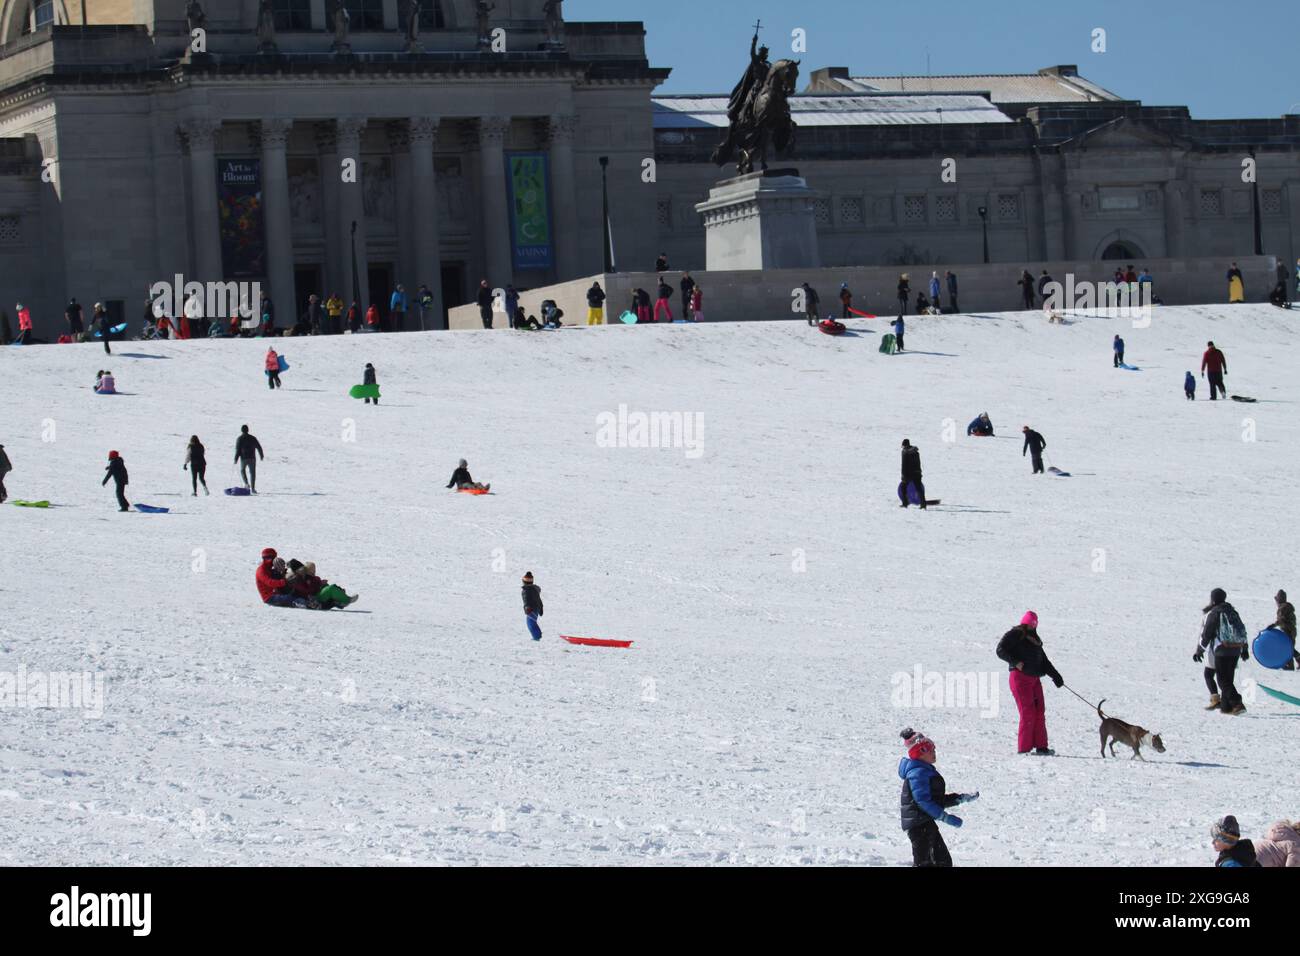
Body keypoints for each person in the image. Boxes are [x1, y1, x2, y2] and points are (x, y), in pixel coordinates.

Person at [897, 728, 976, 867]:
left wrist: (959, 798)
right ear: (919, 754)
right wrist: (945, 817)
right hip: (918, 824)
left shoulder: (924, 771)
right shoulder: (918, 773)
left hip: (924, 822)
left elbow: (934, 800)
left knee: (942, 861)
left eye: (934, 749)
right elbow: (923, 801)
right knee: (925, 863)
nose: (934, 752)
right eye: (929, 750)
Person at [995, 611, 1063, 755]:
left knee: (1039, 712)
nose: (1033, 626)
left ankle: (1041, 746)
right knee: (1028, 713)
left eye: (1034, 624)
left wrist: (1056, 676)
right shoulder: (1015, 634)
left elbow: (1043, 661)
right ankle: (1024, 749)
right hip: (1019, 679)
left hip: (1034, 679)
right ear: (1025, 623)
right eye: (1031, 624)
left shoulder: (1035, 639)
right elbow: (1000, 650)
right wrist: (1016, 662)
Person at [1194, 587, 1249, 715]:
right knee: (1228, 679)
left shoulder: (1215, 613)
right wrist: (1244, 649)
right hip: (1235, 650)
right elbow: (1242, 631)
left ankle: (1237, 703)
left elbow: (1207, 634)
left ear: (1213, 599)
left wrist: (1199, 651)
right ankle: (1226, 707)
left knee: (1223, 681)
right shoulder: (1233, 612)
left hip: (1222, 650)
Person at [286, 559, 357, 610]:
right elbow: (308, 591)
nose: (302, 571)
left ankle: (341, 599)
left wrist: (321, 583)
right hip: (312, 599)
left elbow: (312, 585)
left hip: (315, 595)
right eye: (300, 569)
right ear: (296, 571)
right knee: (330, 589)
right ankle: (347, 600)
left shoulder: (306, 577)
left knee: (330, 587)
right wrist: (319, 584)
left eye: (303, 569)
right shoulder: (296, 580)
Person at [1266, 589, 1298, 670]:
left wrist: (1273, 625)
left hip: (1287, 631)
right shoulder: (1288, 607)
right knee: (1289, 648)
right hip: (1292, 631)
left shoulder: (1282, 608)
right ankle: (1296, 660)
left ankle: (1289, 667)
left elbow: (1282, 620)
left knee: (1286, 649)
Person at [235, 425, 264, 494]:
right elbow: (259, 447)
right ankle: (253, 489)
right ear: (248, 430)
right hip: (252, 458)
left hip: (244, 458)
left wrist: (236, 458)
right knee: (252, 473)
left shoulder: (240, 438)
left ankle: (246, 484)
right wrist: (261, 455)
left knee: (242, 470)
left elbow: (238, 449)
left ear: (242, 430)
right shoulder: (253, 438)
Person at [899, 439, 926, 510]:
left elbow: (904, 465)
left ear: (904, 445)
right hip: (917, 473)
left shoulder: (905, 452)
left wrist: (903, 476)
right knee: (919, 489)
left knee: (903, 488)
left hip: (908, 474)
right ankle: (923, 504)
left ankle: (905, 503)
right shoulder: (916, 452)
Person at [522, 571, 543, 641]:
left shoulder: (526, 590)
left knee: (530, 623)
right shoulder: (534, 589)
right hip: (535, 608)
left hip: (531, 609)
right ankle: (537, 636)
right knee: (532, 622)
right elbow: (538, 599)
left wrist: (527, 607)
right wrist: (541, 607)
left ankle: (537, 637)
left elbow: (526, 600)